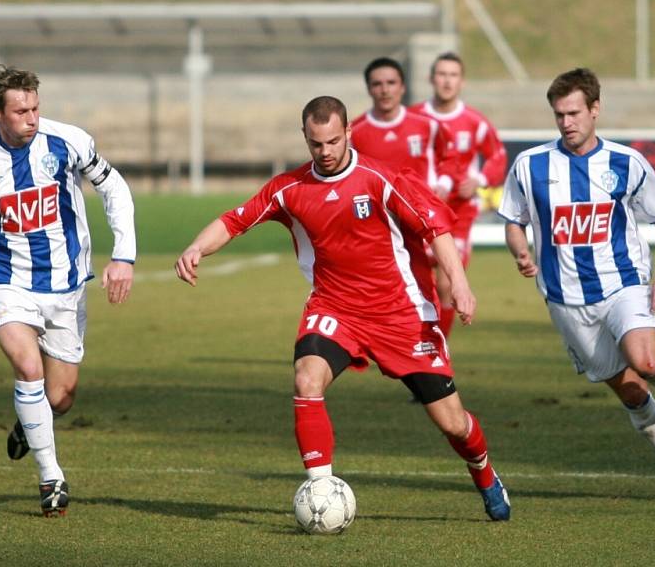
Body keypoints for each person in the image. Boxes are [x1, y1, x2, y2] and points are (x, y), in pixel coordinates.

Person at [176, 95, 511, 521]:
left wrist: (459, 286)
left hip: (400, 313)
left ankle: (484, 473)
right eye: (317, 144)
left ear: (349, 132)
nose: (326, 152)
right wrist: (196, 248)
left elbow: (436, 228)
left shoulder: (380, 178)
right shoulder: (290, 189)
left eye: (334, 141)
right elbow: (235, 219)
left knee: (453, 423)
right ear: (305, 138)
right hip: (335, 308)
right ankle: (320, 492)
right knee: (306, 379)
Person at [0, 65, 137, 516]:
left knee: (62, 397)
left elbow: (113, 186)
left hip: (66, 285)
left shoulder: (67, 141)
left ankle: (29, 423)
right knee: (27, 366)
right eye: (21, 111)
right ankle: (51, 477)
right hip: (5, 282)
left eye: (36, 107)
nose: (32, 118)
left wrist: (123, 254)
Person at [498, 67, 655, 505]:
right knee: (632, 392)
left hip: (623, 284)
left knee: (646, 361)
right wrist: (520, 252)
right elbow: (513, 220)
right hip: (566, 301)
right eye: (559, 115)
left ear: (595, 110)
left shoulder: (626, 162)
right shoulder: (531, 165)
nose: (566, 122)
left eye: (574, 112)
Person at [350, 57, 458, 338]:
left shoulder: (427, 126)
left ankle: (436, 343)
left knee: (442, 284)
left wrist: (444, 181)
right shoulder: (356, 132)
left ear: (402, 87)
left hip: (421, 220)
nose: (384, 89)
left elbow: (450, 157)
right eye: (377, 84)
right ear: (369, 89)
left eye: (391, 83)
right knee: (383, 292)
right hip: (380, 226)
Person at [410, 51, 507, 337]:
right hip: (418, 210)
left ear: (461, 81)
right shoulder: (415, 117)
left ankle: (439, 346)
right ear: (431, 79)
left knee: (447, 283)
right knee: (415, 284)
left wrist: (478, 179)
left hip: (458, 213)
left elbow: (497, 157)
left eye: (453, 75)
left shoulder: (473, 121)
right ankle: (412, 342)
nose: (447, 81)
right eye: (441, 74)